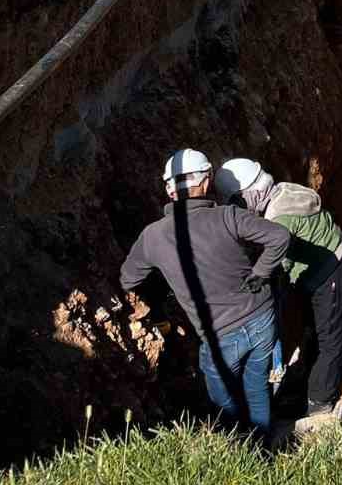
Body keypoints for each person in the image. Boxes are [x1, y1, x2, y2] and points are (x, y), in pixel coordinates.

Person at [119, 149, 290, 436]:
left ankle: (241, 449)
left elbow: (128, 279)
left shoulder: (152, 237)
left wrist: (163, 291)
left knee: (224, 402)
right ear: (207, 182)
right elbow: (279, 237)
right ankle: (262, 444)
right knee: (256, 384)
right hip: (262, 317)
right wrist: (260, 274)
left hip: (221, 335)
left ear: (169, 190)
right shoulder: (228, 216)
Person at [215, 157, 342, 417]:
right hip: (315, 271)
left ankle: (320, 402)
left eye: (238, 201)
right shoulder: (281, 192)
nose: (237, 208)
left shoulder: (280, 220)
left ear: (251, 194)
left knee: (330, 339)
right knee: (313, 331)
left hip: (330, 271)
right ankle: (307, 385)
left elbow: (279, 263)